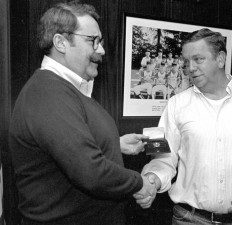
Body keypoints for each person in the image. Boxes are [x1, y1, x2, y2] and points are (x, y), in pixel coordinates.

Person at [9, 2, 156, 225]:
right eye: (92, 41)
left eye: (101, 42)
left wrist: (114, 144)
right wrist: (140, 183)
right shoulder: (48, 93)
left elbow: (64, 147)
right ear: (60, 43)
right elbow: (91, 172)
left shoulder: (61, 89)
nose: (101, 50)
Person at [134, 28, 232, 225]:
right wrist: (152, 179)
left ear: (221, 59)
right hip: (188, 219)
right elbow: (162, 157)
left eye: (198, 59)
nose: (190, 67)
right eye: (186, 61)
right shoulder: (175, 104)